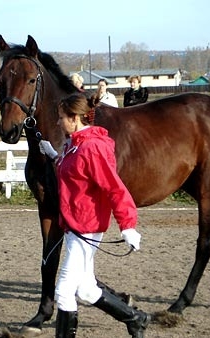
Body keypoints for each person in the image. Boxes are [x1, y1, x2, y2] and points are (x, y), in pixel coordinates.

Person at [38, 94, 150, 338]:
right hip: (73, 225)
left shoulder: (93, 147)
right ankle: (135, 318)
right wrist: (55, 157)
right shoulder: (73, 144)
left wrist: (128, 225)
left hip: (86, 227)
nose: (58, 123)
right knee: (86, 290)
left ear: (75, 118)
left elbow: (114, 187)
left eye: (61, 119)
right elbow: (75, 174)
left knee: (64, 291)